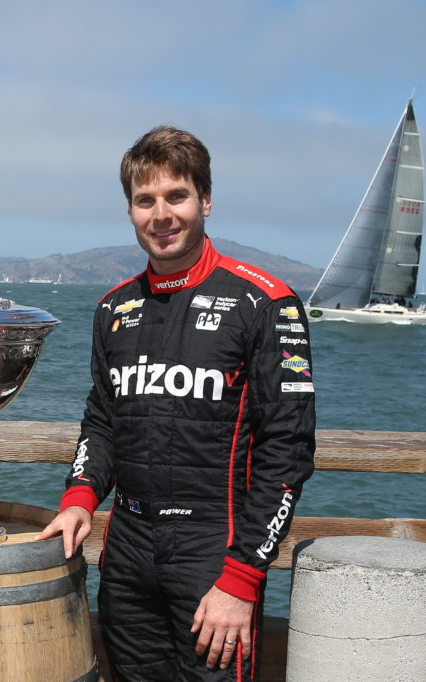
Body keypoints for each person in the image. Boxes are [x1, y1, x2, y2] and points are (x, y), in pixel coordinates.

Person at [37, 125, 315, 680]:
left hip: (215, 553)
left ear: (205, 201)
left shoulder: (267, 302)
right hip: (127, 552)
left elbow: (288, 450)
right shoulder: (113, 308)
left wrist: (242, 577)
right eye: (146, 200)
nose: (161, 215)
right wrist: (79, 497)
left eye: (176, 196)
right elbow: (103, 419)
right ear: (130, 211)